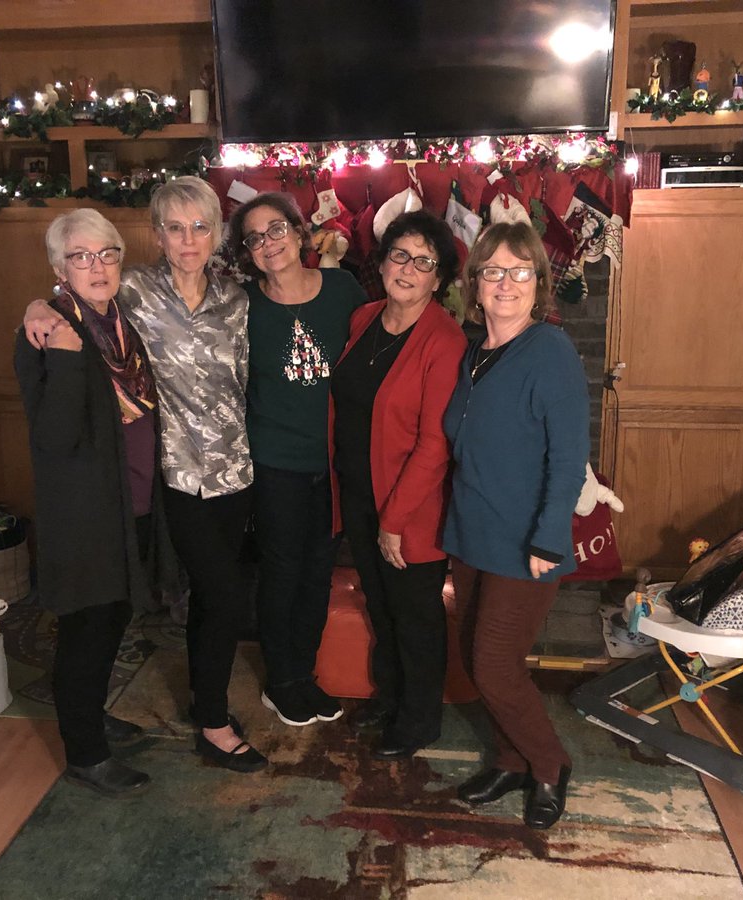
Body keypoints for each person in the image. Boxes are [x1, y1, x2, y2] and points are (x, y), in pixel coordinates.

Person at [23, 178, 265, 773]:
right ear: (157, 235)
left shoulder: (237, 299)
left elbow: (246, 378)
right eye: (175, 228)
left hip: (231, 470)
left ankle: (166, 709)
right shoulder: (133, 291)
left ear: (217, 234)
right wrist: (38, 306)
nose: (188, 240)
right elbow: (68, 301)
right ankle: (211, 722)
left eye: (200, 227)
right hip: (171, 477)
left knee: (181, 599)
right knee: (221, 595)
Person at [442, 221, 590, 830]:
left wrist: (550, 536)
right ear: (475, 284)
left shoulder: (550, 351)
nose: (506, 283)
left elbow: (569, 455)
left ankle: (550, 765)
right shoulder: (471, 352)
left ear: (539, 283)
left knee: (495, 665)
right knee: (474, 658)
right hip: (471, 536)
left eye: (520, 271)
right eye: (494, 271)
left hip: (526, 542)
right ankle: (510, 759)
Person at [13, 209, 156, 797]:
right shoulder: (48, 334)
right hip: (84, 513)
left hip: (131, 500)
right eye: (80, 256)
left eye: (106, 254)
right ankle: (85, 754)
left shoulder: (122, 321)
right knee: (86, 630)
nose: (96, 266)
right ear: (59, 268)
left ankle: (91, 715)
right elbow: (53, 435)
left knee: (114, 617)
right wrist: (68, 357)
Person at [329, 210, 466, 760]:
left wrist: (394, 521)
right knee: (381, 607)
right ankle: (391, 698)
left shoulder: (445, 340)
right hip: (359, 492)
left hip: (411, 507)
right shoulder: (363, 318)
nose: (407, 269)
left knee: (415, 617)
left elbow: (435, 445)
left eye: (423, 262)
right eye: (399, 255)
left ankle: (419, 720)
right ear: (383, 263)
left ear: (439, 278)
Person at [226, 193, 366, 728]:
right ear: (247, 252)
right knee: (282, 571)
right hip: (275, 463)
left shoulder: (343, 290)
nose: (268, 243)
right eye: (254, 237)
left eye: (277, 229)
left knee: (317, 572)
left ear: (300, 231)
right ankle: (281, 681)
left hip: (331, 461)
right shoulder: (241, 305)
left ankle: (303, 675)